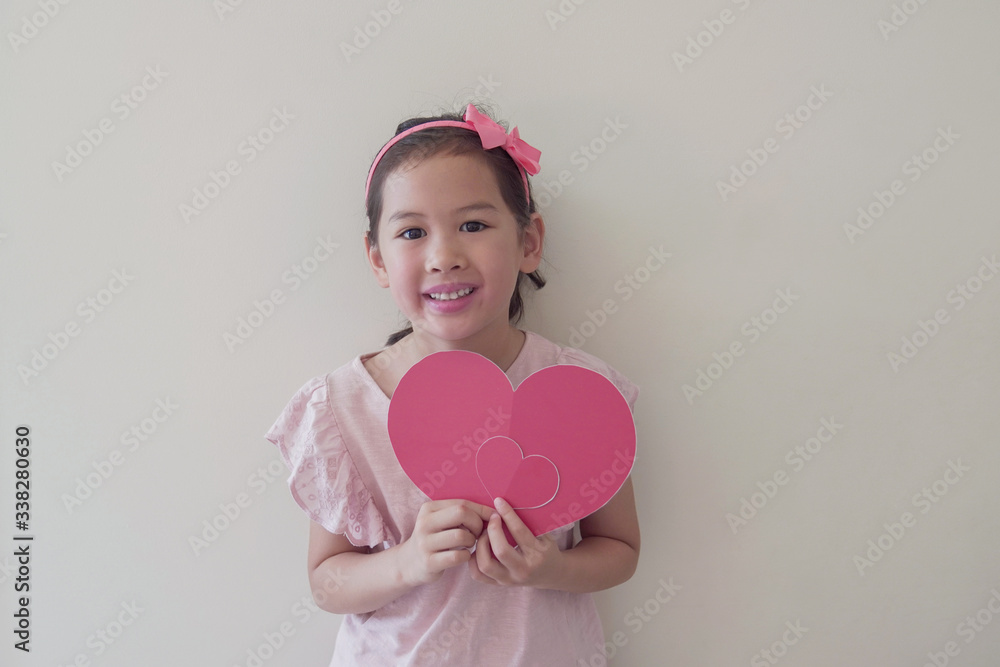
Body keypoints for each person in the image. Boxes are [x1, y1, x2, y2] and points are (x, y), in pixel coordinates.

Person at [265, 102, 641, 665]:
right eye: (413, 232)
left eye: (473, 224)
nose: (444, 256)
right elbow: (326, 581)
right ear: (378, 260)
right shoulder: (342, 409)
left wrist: (553, 567)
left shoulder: (578, 389)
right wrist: (411, 559)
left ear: (528, 241)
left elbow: (621, 549)